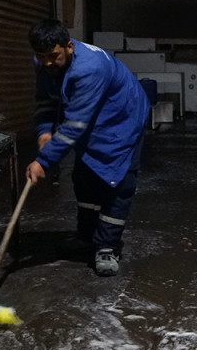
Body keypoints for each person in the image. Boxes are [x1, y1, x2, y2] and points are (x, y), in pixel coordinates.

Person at [28, 19, 151, 277]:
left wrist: (43, 162)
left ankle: (107, 246)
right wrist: (44, 132)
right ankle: (86, 236)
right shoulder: (45, 64)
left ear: (69, 47)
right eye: (41, 57)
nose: (47, 62)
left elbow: (74, 126)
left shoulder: (89, 69)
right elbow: (45, 101)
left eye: (53, 56)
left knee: (117, 183)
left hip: (121, 120)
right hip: (92, 117)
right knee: (85, 177)